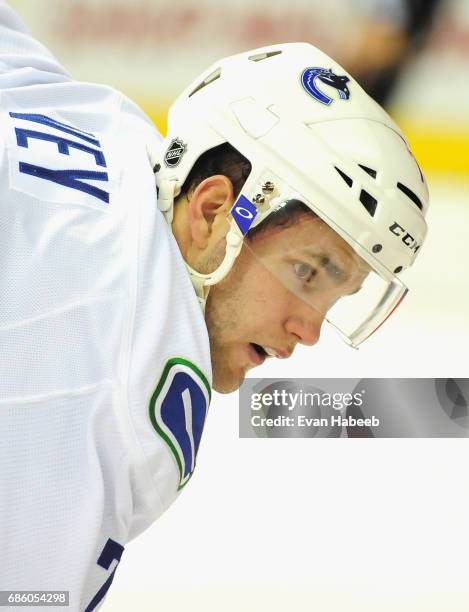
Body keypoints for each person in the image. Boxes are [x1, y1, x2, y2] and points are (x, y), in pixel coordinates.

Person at [0, 1, 428, 609]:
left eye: (337, 298)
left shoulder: (98, 122)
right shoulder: (130, 392)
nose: (308, 332)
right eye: (306, 273)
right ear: (211, 212)